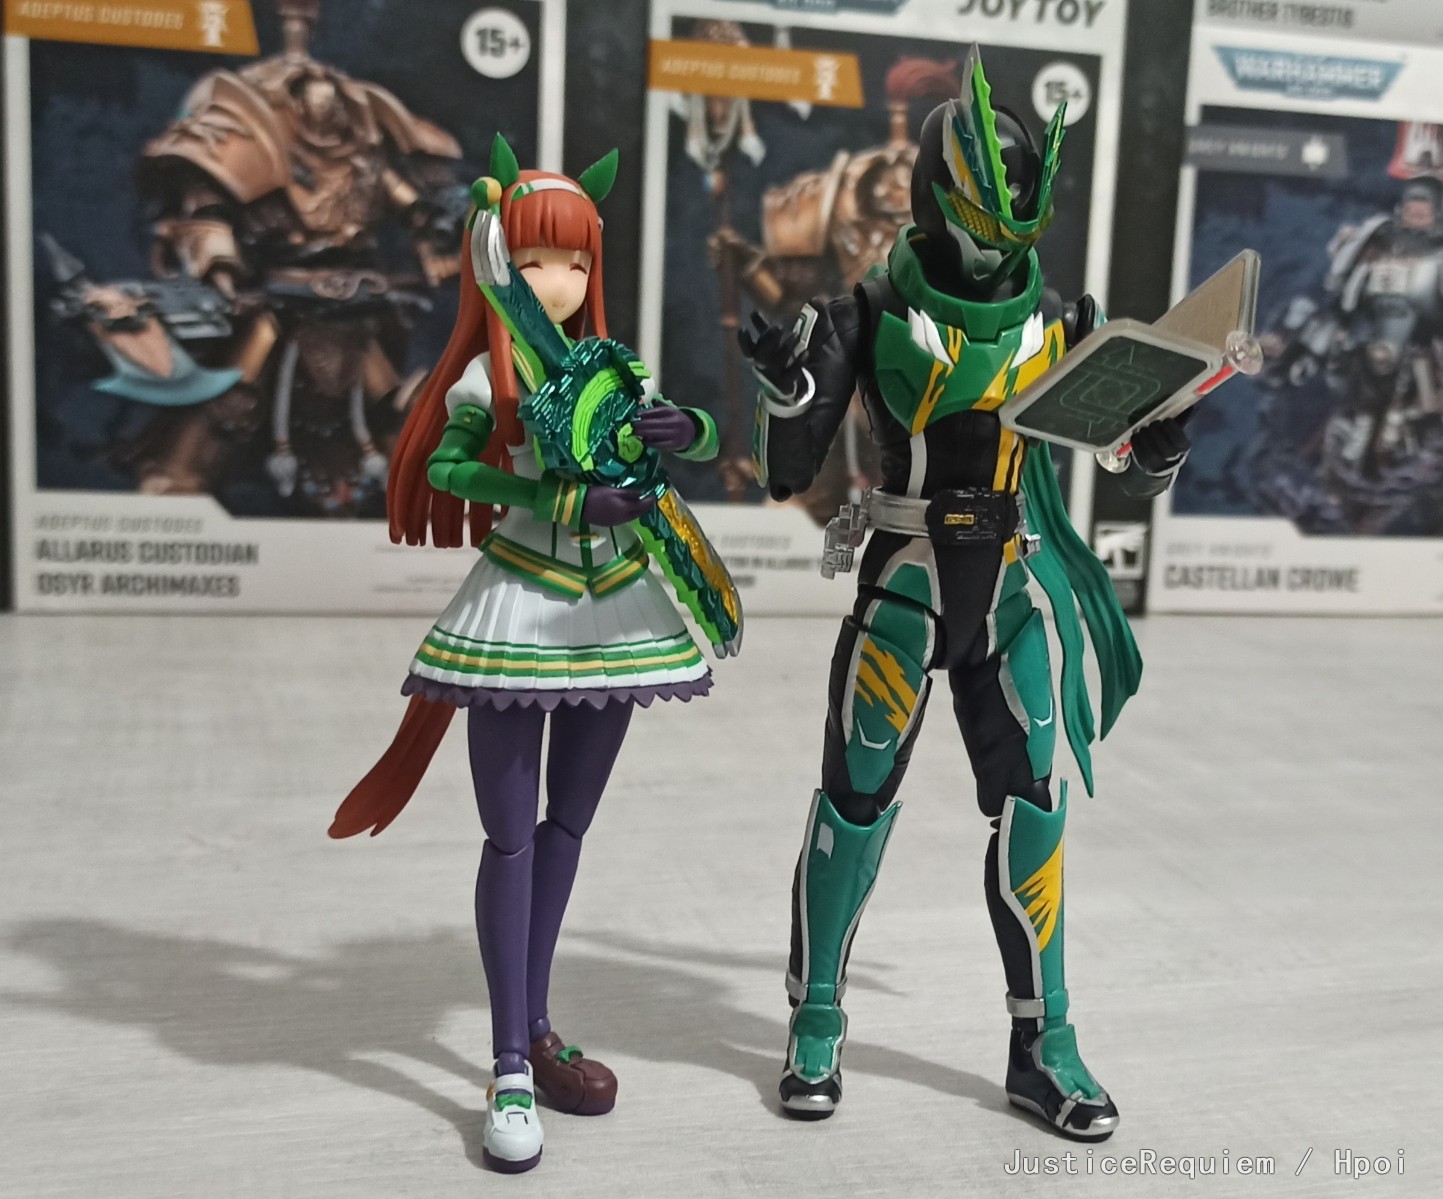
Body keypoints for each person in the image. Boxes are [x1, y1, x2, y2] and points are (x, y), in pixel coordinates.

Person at [740, 48, 1190, 1139]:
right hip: (904, 579)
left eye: (1016, 219)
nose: (997, 245)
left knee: (1034, 808)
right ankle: (816, 1016)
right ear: (937, 199)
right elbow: (788, 471)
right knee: (853, 800)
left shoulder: (1060, 324)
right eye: (983, 216)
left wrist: (1164, 431)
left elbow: (1132, 466)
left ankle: (1046, 1042)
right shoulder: (865, 311)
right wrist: (788, 394)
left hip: (1010, 589)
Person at [330, 137, 720, 1173]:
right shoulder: (485, 374)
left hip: (615, 611)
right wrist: (557, 495)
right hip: (517, 606)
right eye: (538, 259)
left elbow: (685, 438)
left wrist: (688, 426)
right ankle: (508, 1058)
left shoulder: (615, 366)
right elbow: (451, 469)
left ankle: (539, 1030)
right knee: (509, 839)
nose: (559, 281)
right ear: (499, 260)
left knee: (566, 827)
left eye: (576, 262)